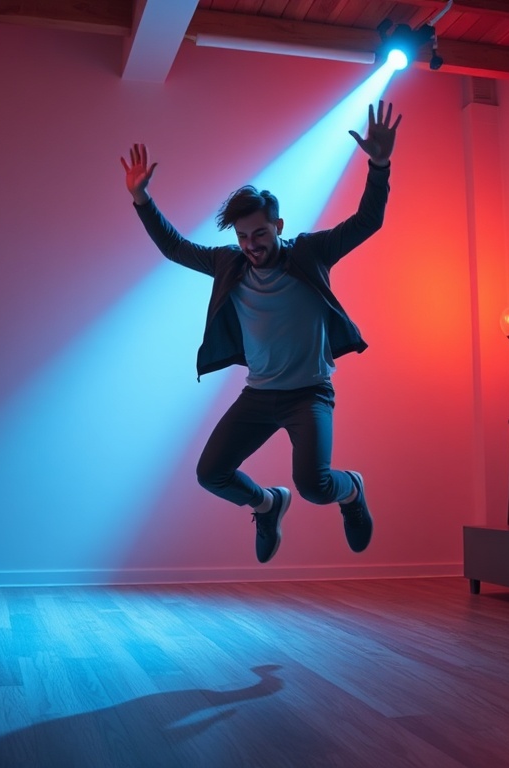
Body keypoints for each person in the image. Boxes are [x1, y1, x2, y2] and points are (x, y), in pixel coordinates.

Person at [121, 100, 401, 564]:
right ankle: (267, 504)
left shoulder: (311, 253)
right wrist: (141, 199)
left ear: (278, 226)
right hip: (259, 396)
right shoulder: (228, 263)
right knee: (211, 473)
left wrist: (379, 163)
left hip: (309, 394)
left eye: (260, 234)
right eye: (243, 237)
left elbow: (368, 222)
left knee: (315, 486)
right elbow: (174, 247)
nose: (251, 245)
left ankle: (352, 492)